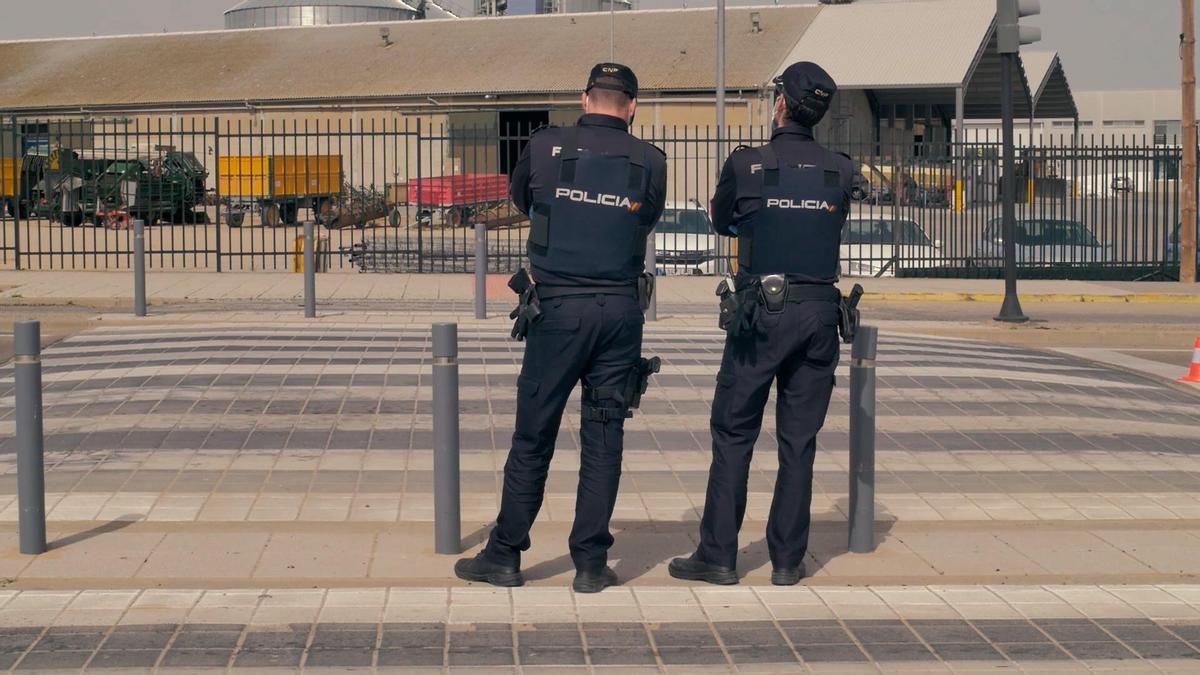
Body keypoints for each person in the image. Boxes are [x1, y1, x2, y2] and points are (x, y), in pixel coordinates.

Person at [455, 63, 667, 594]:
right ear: (632, 106)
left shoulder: (547, 146)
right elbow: (646, 220)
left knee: (534, 436)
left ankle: (504, 554)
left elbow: (524, 200)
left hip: (558, 313)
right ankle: (591, 564)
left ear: (585, 98)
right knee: (604, 436)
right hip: (620, 315)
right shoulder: (650, 161)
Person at [669, 61, 854, 586]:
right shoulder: (839, 170)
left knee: (733, 433)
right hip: (820, 313)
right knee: (799, 441)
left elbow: (722, 220)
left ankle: (719, 556)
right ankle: (788, 561)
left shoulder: (749, 165)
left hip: (762, 312)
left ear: (780, 106)